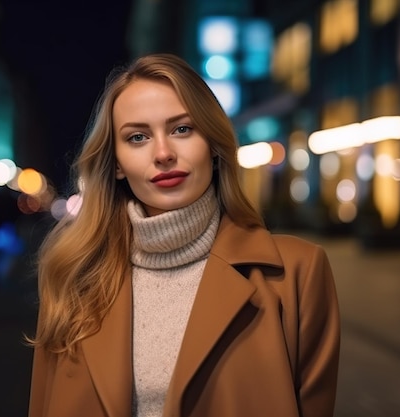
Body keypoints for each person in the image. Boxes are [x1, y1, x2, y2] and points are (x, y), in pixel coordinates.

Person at [28, 53, 340, 417]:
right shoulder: (73, 275)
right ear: (115, 164)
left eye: (182, 129)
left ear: (213, 144)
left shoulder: (296, 273)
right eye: (138, 137)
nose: (163, 153)